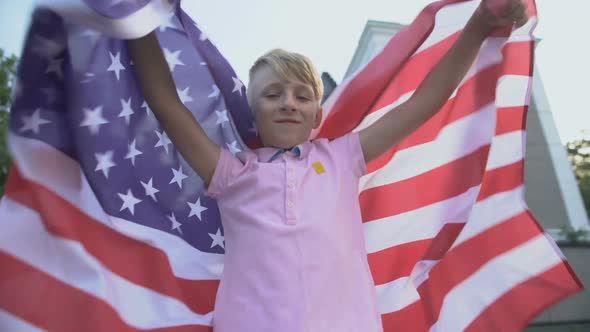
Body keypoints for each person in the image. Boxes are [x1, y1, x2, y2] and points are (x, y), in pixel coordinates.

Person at [126, 1, 527, 330]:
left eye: (302, 96)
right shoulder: (231, 172)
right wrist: (137, 17)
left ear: (317, 116)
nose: (288, 103)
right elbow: (166, 104)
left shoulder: (342, 157)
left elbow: (424, 102)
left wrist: (478, 24)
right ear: (254, 113)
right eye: (272, 94)